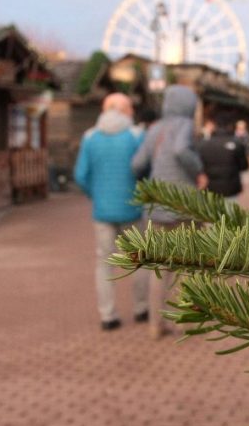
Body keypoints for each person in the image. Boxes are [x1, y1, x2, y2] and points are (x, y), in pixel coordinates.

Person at [131, 85, 208, 338]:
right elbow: (181, 149)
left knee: (159, 268)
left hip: (155, 206)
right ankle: (183, 322)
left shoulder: (154, 129)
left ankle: (155, 325)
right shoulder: (185, 124)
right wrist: (197, 170)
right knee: (185, 266)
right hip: (183, 205)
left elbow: (137, 164)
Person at [74, 93, 148, 332]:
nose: (132, 112)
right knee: (139, 261)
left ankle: (108, 315)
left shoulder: (90, 137)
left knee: (104, 263)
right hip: (133, 210)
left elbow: (80, 175)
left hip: (102, 212)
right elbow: (145, 169)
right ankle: (141, 308)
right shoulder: (136, 136)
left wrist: (95, 194)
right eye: (130, 108)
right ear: (122, 110)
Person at [196, 111, 249, 200]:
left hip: (210, 189)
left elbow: (199, 166)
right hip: (231, 189)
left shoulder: (203, 144)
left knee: (211, 213)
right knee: (228, 213)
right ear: (230, 125)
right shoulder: (237, 144)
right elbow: (244, 166)